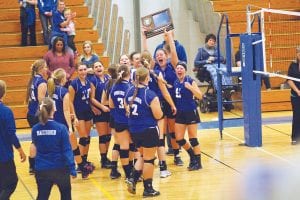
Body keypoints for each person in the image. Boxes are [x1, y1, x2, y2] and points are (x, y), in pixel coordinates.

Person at [47, 68, 93, 179]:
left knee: (56, 149)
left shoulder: (50, 92)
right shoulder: (64, 92)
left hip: (52, 123)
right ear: (62, 79)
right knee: (74, 148)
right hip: (62, 124)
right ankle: (80, 168)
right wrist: (70, 127)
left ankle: (64, 170)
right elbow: (66, 110)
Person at [125, 67, 163, 197]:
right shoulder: (150, 94)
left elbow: (127, 109)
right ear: (147, 78)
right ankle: (148, 188)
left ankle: (133, 178)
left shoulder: (129, 91)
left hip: (134, 130)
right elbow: (158, 116)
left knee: (141, 155)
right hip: (148, 130)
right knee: (149, 159)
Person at [31, 97, 76, 200]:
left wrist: (34, 166)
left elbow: (34, 149)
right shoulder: (61, 128)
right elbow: (67, 151)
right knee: (66, 196)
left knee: (42, 196)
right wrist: (72, 169)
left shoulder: (35, 129)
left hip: (42, 169)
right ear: (53, 110)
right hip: (60, 168)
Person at [151, 30, 183, 166]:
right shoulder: (154, 70)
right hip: (158, 103)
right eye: (157, 55)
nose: (159, 56)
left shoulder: (172, 65)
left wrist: (169, 36)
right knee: (160, 133)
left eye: (161, 54)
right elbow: (146, 57)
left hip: (172, 101)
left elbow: (174, 54)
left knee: (173, 131)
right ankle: (162, 160)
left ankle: (176, 155)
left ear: (166, 56)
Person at [141, 50, 174, 178]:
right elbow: (165, 92)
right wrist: (172, 105)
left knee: (142, 140)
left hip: (142, 107)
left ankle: (140, 170)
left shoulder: (137, 74)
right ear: (151, 61)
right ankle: (163, 169)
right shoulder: (157, 73)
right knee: (160, 138)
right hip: (156, 105)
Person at [0, 80, 26, 200]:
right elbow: (11, 134)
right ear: (4, 94)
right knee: (11, 183)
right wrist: (20, 149)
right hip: (3, 155)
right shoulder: (6, 111)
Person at [174, 62, 203, 170]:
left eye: (181, 68)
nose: (179, 70)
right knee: (179, 139)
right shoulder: (176, 82)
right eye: (177, 68)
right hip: (180, 113)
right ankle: (192, 156)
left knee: (193, 139)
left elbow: (200, 96)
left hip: (191, 112)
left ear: (185, 70)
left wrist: (190, 88)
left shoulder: (190, 81)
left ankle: (198, 163)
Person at [109, 64, 133, 179]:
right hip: (130, 120)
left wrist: (117, 115)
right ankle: (132, 172)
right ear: (128, 73)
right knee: (133, 146)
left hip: (118, 120)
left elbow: (111, 104)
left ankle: (127, 174)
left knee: (122, 146)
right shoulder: (130, 86)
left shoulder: (114, 86)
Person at [69, 63, 93, 167]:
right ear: (77, 72)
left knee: (87, 138)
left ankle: (84, 159)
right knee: (83, 137)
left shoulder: (88, 82)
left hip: (87, 112)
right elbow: (70, 101)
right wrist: (74, 116)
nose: (83, 72)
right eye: (80, 70)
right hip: (79, 113)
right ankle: (79, 162)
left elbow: (90, 99)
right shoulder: (74, 84)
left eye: (84, 69)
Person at [26, 59, 48, 174]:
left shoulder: (33, 80)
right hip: (37, 114)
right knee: (37, 140)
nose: (47, 69)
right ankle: (34, 165)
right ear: (41, 69)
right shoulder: (42, 82)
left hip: (31, 113)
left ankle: (33, 166)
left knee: (35, 140)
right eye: (45, 67)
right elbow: (41, 100)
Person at [90, 61, 112, 168]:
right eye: (96, 67)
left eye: (100, 66)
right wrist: (102, 107)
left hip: (109, 110)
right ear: (93, 70)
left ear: (104, 67)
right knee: (103, 136)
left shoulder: (108, 78)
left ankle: (106, 157)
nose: (98, 68)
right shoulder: (93, 80)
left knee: (108, 136)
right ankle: (103, 159)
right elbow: (92, 98)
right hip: (100, 111)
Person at [101, 64, 122, 179]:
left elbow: (103, 101)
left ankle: (114, 169)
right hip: (123, 116)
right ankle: (130, 170)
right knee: (128, 144)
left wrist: (114, 105)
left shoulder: (107, 84)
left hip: (113, 116)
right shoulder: (123, 84)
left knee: (117, 143)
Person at [287, 46, 300, 145]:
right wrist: (298, 91)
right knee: (297, 116)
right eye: (298, 53)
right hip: (295, 96)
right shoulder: (293, 65)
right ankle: (295, 138)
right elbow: (289, 80)